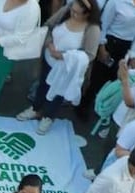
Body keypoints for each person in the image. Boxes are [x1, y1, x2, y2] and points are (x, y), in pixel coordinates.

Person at [17, 0, 101, 134]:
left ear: (87, 14)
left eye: (77, 13)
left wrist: (63, 56)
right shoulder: (66, 11)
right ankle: (36, 109)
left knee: (57, 93)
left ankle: (48, 117)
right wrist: (49, 44)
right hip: (49, 59)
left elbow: (90, 54)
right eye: (72, 11)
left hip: (66, 68)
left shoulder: (92, 29)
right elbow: (49, 26)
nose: (73, 14)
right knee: (43, 85)